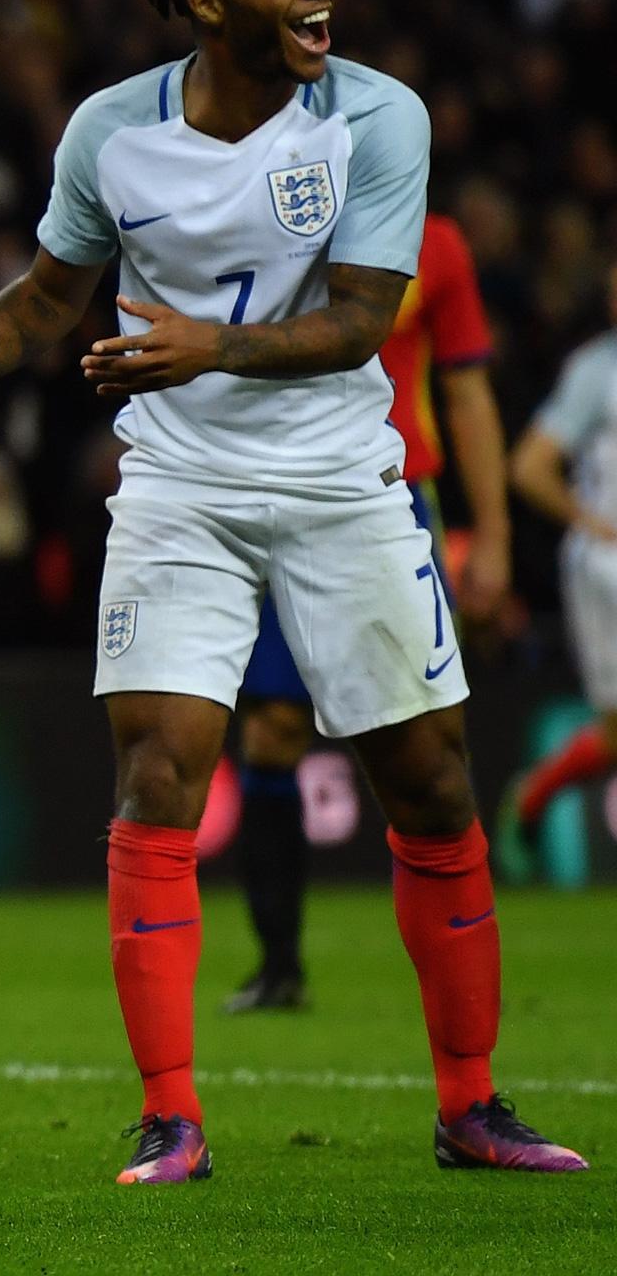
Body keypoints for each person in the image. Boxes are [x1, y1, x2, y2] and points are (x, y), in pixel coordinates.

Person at [0, 0, 586, 1183]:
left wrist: (208, 346)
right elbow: (53, 292)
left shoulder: (377, 119)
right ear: (205, 3)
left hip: (345, 478)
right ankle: (171, 1116)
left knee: (431, 777)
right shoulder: (110, 135)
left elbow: (360, 322)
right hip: (178, 488)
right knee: (160, 775)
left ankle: (470, 1102)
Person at [225, 211, 510, 1012]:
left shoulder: (435, 242)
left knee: (424, 737)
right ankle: (279, 964)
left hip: (394, 496)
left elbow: (465, 387)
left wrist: (492, 534)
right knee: (271, 727)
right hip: (281, 494)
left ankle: (464, 948)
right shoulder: (265, 216)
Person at [504, 264, 617, 853]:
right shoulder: (598, 371)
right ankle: (537, 790)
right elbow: (529, 466)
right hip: (609, 571)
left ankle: (539, 788)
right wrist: (594, 524)